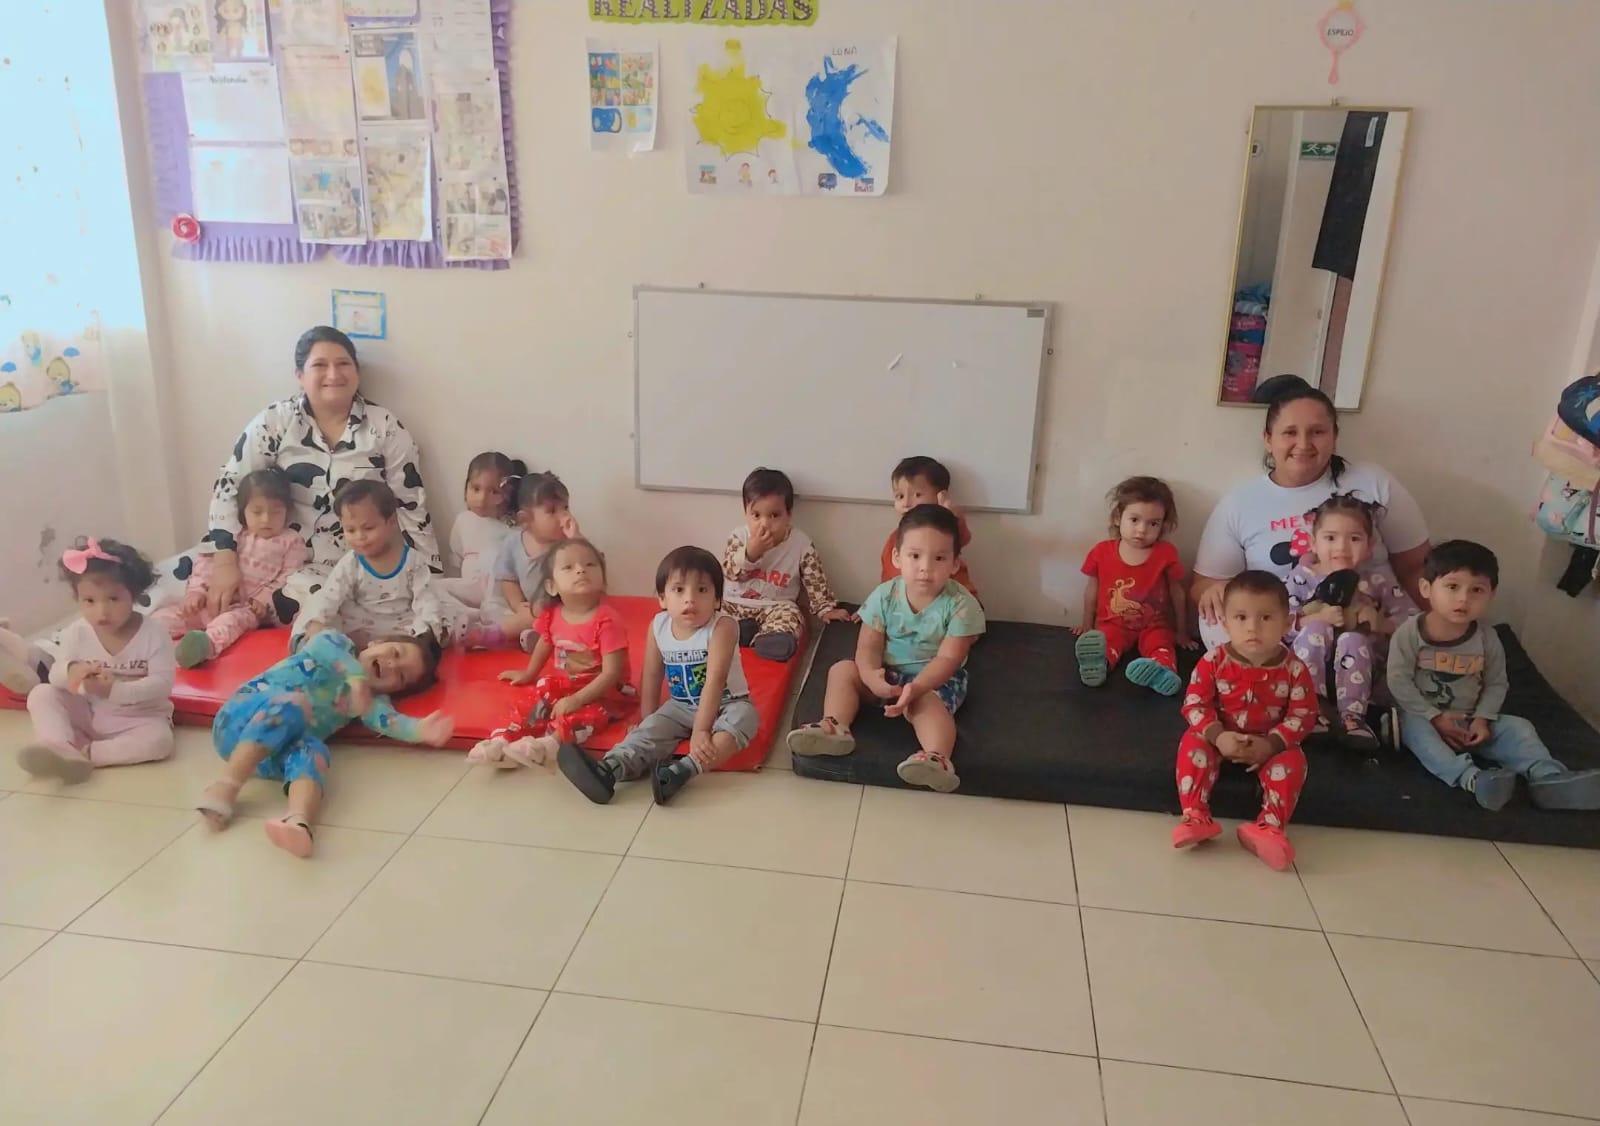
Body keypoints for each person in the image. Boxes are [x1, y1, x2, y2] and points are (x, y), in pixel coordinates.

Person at [198, 325, 440, 626]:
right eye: (320, 365)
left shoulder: (385, 428)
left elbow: (411, 508)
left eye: (343, 364)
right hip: (265, 556)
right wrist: (225, 561)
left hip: (348, 566)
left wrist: (430, 581)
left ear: (357, 372)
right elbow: (230, 486)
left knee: (322, 605)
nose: (333, 374)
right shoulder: (276, 421)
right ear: (300, 375)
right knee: (171, 589)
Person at [1192, 374, 1429, 648]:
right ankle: (1269, 672)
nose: (1303, 444)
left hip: (1367, 627)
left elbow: (1417, 567)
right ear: (1268, 439)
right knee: (1214, 622)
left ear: (1335, 436)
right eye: (1289, 433)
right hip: (1283, 633)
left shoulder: (1374, 483)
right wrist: (1215, 589)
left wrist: (1441, 632)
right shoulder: (1240, 503)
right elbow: (1203, 585)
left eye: (1317, 432)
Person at [196, 630, 453, 858]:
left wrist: (420, 730)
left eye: (401, 675)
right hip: (236, 721)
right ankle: (225, 787)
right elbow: (321, 646)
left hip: (267, 759)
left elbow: (391, 722)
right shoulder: (337, 642)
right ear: (376, 642)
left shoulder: (370, 702)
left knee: (314, 749)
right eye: (395, 652)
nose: (391, 665)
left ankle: (297, 822)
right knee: (294, 703)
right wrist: (355, 677)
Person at [1387, 541, 1600, 811]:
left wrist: (1482, 719)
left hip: (1471, 723)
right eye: (1452, 587)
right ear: (1426, 588)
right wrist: (1435, 717)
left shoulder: (1488, 639)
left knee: (1519, 728)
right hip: (1425, 717)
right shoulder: (1409, 634)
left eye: (1477, 590)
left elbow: (1496, 683)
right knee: (1415, 730)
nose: (1464, 599)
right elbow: (1398, 681)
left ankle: (1549, 778)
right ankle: (1474, 780)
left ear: (1491, 594)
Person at [786, 505, 986, 793]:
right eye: (915, 556)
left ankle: (936, 757)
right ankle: (834, 726)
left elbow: (949, 658)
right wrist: (870, 676)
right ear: (897, 557)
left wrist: (916, 688)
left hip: (934, 680)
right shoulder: (885, 595)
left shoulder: (961, 605)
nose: (925, 567)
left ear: (955, 564)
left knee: (926, 704)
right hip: (887, 675)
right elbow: (868, 645)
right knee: (842, 670)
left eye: (939, 558)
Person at [558, 545, 758, 806]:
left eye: (702, 590)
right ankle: (610, 769)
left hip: (726, 702)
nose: (690, 599)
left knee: (745, 718)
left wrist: (701, 730)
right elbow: (652, 674)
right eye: (679, 590)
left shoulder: (723, 627)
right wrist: (646, 718)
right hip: (680, 706)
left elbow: (715, 679)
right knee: (648, 732)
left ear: (717, 600)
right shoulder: (658, 626)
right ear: (662, 598)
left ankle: (681, 771)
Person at [1173, 570, 1318, 870]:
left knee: (1294, 760)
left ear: (1287, 623)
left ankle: (1269, 827)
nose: (1252, 627)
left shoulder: (1294, 669)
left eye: (1266, 618)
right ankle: (1195, 815)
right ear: (1225, 623)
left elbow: (1303, 715)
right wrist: (1218, 736)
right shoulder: (1213, 661)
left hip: (1269, 740)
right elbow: (1195, 704)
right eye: (1241, 618)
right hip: (1219, 735)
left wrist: (1272, 744)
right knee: (1192, 742)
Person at [15, 539, 176, 783]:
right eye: (89, 601)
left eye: (113, 599)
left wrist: (114, 690)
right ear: (77, 598)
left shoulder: (154, 634)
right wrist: (71, 671)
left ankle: (85, 754)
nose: (101, 612)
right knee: (41, 693)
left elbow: (162, 684)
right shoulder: (77, 632)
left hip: (139, 718)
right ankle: (57, 745)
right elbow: (56, 674)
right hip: (90, 711)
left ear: (133, 595)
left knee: (160, 741)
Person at [469, 539, 633, 769]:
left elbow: (611, 673)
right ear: (551, 586)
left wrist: (577, 700)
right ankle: (501, 739)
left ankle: (548, 745)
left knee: (587, 715)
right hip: (567, 685)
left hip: (605, 692)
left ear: (603, 579)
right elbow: (545, 643)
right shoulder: (553, 614)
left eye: (590, 564)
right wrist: (529, 673)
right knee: (538, 694)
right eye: (568, 567)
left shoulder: (607, 620)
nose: (580, 570)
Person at [1286, 494, 1414, 749]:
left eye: (1354, 539)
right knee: (1317, 629)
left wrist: (1381, 623)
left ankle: (1353, 720)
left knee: (1353, 638)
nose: (1342, 548)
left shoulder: (1377, 580)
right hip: (1309, 670)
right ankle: (1311, 711)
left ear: (1370, 545)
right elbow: (1277, 623)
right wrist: (1314, 618)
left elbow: (1412, 622)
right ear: (1313, 542)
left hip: (1362, 677)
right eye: (1330, 538)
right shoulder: (1301, 577)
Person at [155, 468, 307, 668]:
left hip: (245, 608)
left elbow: (287, 578)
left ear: (287, 511)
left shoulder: (291, 541)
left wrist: (264, 601)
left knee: (229, 624)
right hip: (208, 601)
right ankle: (143, 638)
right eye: (257, 512)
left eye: (276, 512)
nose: (266, 519)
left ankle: (203, 646)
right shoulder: (232, 535)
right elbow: (205, 564)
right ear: (243, 511)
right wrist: (196, 592)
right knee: (167, 617)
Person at [1074, 476, 1195, 696]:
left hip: (1154, 625)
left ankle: (1162, 671)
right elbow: (1091, 590)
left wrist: (1182, 632)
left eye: (1153, 523)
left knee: (1161, 645)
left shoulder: (1166, 554)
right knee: (1106, 643)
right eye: (1134, 520)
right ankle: (1099, 664)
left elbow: (1177, 592)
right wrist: (1086, 625)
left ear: (1163, 525)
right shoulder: (1101, 552)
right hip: (1112, 623)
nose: (1142, 530)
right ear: (1118, 518)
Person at [292, 480, 446, 649]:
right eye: (350, 530)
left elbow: (425, 601)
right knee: (318, 600)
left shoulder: (413, 561)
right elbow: (331, 596)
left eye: (368, 528)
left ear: (392, 522)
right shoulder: (351, 563)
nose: (360, 537)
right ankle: (306, 644)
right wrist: (318, 622)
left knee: (440, 610)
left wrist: (425, 634)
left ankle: (419, 649)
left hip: (401, 633)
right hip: (357, 632)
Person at [722, 467, 850, 662]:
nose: (764, 524)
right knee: (714, 615)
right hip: (735, 604)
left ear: (788, 514)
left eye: (774, 515)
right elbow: (730, 572)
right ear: (746, 512)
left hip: (776, 606)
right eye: (756, 515)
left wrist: (825, 608)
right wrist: (750, 553)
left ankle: (769, 640)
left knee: (793, 616)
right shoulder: (738, 537)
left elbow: (815, 580)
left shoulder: (800, 544)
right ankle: (739, 632)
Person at [472, 471, 580, 649]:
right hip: (527, 605)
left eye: (566, 508)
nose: (563, 516)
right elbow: (508, 579)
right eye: (552, 511)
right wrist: (517, 604)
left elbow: (587, 565)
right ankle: (524, 634)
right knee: (495, 608)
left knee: (543, 613)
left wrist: (576, 538)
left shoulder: (566, 545)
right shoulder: (512, 543)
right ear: (525, 520)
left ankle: (492, 636)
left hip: (558, 607)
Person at [879, 456, 978, 600]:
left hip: (954, 599)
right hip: (912, 603)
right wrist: (882, 602)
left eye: (917, 495)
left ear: (940, 496)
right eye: (899, 496)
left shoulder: (946, 527)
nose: (906, 503)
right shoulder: (896, 537)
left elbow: (963, 537)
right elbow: (888, 573)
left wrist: (952, 515)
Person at [440, 451, 523, 608]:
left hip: (499, 596)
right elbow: (456, 562)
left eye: (494, 492)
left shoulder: (513, 528)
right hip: (468, 593)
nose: (482, 499)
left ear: (508, 494)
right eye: (476, 489)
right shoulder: (463, 521)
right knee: (431, 587)